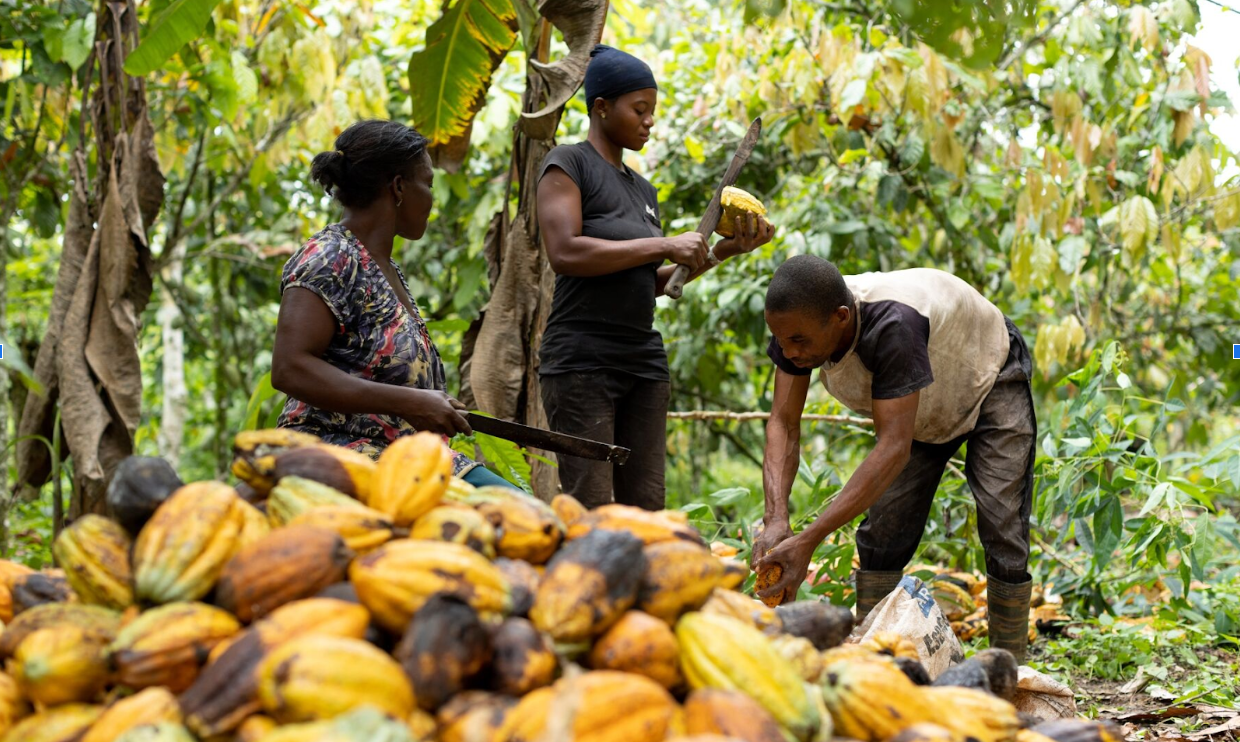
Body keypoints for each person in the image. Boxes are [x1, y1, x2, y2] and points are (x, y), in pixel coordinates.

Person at [753, 256, 1037, 660]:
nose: (787, 351)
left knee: (1002, 520)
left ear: (840, 317)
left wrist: (808, 541)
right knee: (885, 528)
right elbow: (783, 423)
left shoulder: (893, 324)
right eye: (779, 340)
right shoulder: (798, 324)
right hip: (915, 404)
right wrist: (776, 517)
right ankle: (874, 657)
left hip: (986, 372)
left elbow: (893, 448)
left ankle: (1011, 669)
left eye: (798, 341)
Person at [536, 44, 775, 510]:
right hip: (582, 360)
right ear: (601, 107)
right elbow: (565, 252)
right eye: (639, 110)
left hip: (641, 360)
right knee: (590, 505)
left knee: (646, 507)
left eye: (652, 111)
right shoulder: (568, 164)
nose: (649, 121)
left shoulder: (642, 190)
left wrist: (725, 249)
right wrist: (666, 243)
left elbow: (651, 283)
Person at [271, 119, 515, 489]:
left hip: (407, 454)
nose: (432, 198)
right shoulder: (330, 256)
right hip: (340, 450)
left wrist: (431, 405)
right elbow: (290, 368)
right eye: (428, 184)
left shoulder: (386, 268)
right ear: (399, 187)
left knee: (521, 509)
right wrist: (411, 403)